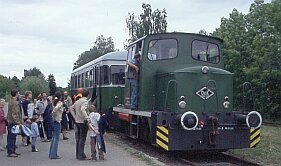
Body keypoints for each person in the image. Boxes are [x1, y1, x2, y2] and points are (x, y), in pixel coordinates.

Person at [70, 89, 90, 160]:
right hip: (83, 122)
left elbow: (71, 108)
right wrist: (87, 117)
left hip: (77, 121)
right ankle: (81, 156)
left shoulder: (78, 101)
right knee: (82, 139)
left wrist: (75, 117)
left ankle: (78, 154)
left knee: (78, 139)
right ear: (88, 95)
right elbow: (83, 109)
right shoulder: (85, 101)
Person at [6, 89, 22, 157]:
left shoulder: (11, 102)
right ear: (16, 94)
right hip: (13, 122)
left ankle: (12, 150)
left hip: (10, 121)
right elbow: (14, 114)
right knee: (12, 137)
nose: (19, 95)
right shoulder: (15, 103)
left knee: (11, 137)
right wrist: (18, 122)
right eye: (18, 93)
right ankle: (11, 151)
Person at [49, 92, 64, 159]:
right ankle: (53, 154)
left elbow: (53, 109)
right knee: (56, 138)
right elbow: (55, 110)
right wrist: (55, 115)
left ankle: (51, 153)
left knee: (53, 137)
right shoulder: (60, 103)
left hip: (54, 120)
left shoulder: (53, 102)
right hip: (57, 120)